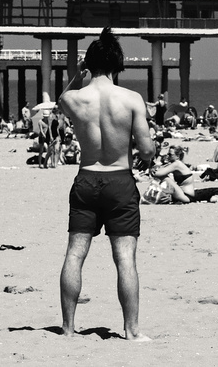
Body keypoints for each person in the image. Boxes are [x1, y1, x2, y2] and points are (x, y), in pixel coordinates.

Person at [57, 28, 154, 341]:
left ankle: (69, 328)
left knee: (75, 254)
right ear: (118, 66)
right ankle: (132, 330)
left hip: (86, 177)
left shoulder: (75, 98)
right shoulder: (131, 99)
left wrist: (76, 76)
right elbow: (147, 148)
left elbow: (60, 99)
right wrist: (146, 158)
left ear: (89, 65)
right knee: (125, 258)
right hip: (119, 179)